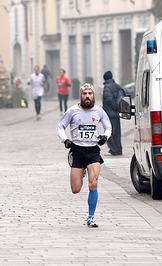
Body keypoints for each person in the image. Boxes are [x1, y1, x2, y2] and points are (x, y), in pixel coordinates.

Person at [57, 83, 112, 227]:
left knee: (93, 183)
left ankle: (91, 217)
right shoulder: (73, 111)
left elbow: (108, 127)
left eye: (90, 93)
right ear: (81, 96)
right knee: (76, 189)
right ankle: (81, 173)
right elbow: (60, 126)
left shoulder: (99, 111)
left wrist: (105, 136)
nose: (87, 96)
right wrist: (65, 140)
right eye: (84, 94)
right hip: (77, 151)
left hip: (93, 151)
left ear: (93, 95)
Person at [102, 70, 123, 156]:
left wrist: (115, 108)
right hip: (116, 114)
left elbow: (109, 99)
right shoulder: (117, 86)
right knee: (117, 133)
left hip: (110, 114)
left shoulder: (107, 87)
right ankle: (118, 149)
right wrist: (119, 109)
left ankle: (113, 149)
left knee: (109, 132)